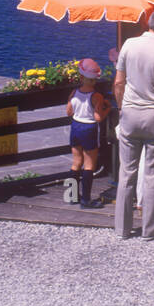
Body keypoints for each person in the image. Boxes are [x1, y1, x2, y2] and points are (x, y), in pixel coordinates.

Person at [113, 12, 154, 239]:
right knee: (152, 174)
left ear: (147, 23)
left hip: (130, 113)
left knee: (127, 173)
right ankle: (150, 229)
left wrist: (122, 108)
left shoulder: (129, 45)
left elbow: (118, 82)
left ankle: (122, 228)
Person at [67, 58, 109, 208]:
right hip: (89, 129)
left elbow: (68, 111)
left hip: (76, 127)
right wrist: (107, 109)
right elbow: (98, 117)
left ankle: (71, 196)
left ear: (81, 77)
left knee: (76, 162)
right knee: (89, 164)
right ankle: (86, 199)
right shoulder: (96, 96)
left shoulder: (74, 93)